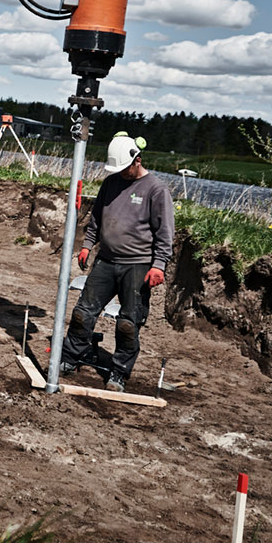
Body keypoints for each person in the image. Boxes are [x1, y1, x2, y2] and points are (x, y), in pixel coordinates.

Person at [60, 131, 174, 392]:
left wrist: (159, 264)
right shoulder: (111, 183)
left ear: (137, 160)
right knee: (82, 314)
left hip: (138, 264)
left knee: (127, 323)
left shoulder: (156, 189)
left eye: (125, 168)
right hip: (107, 261)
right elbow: (97, 218)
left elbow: (165, 232)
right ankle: (70, 358)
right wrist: (88, 245)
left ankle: (119, 373)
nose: (122, 173)